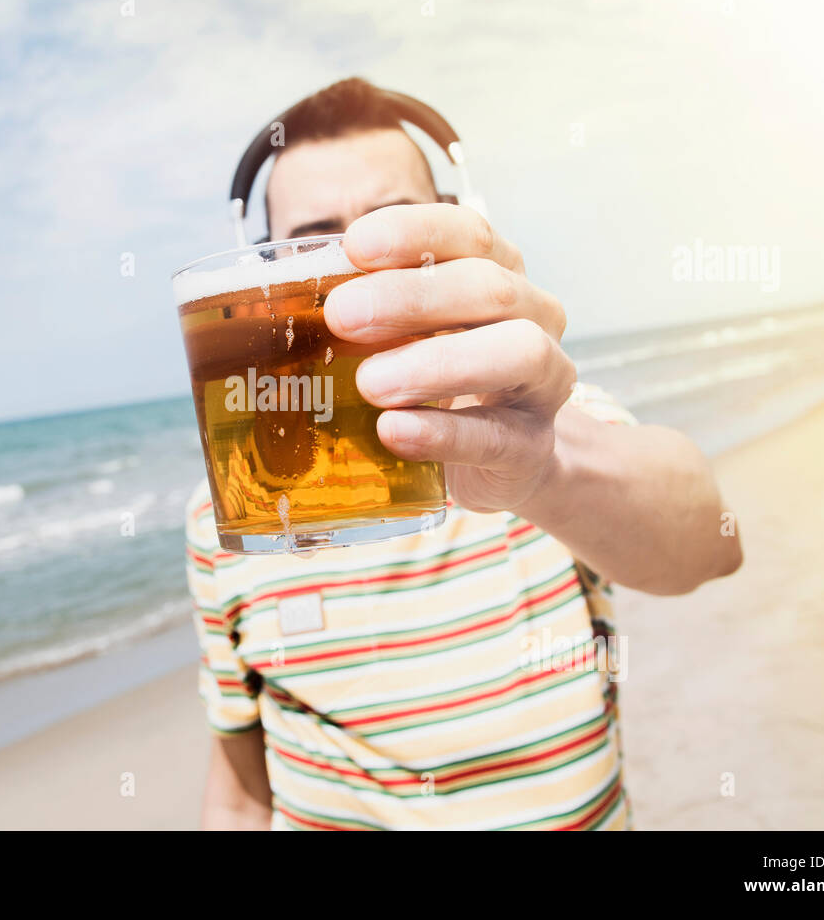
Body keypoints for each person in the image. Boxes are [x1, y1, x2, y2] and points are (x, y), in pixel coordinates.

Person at [186, 77, 742, 830]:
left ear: (452, 230)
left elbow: (711, 543)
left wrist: (546, 469)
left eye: (391, 228)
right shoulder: (234, 508)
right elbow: (241, 791)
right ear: (267, 266)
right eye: (318, 239)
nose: (357, 263)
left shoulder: (540, 423)